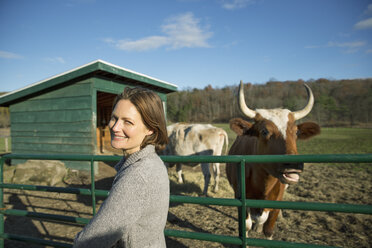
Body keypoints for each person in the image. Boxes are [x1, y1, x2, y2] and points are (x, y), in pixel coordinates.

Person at [73, 87, 169, 248]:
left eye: (128, 122)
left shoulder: (137, 176)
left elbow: (90, 242)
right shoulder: (154, 162)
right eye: (114, 118)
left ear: (150, 128)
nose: (115, 127)